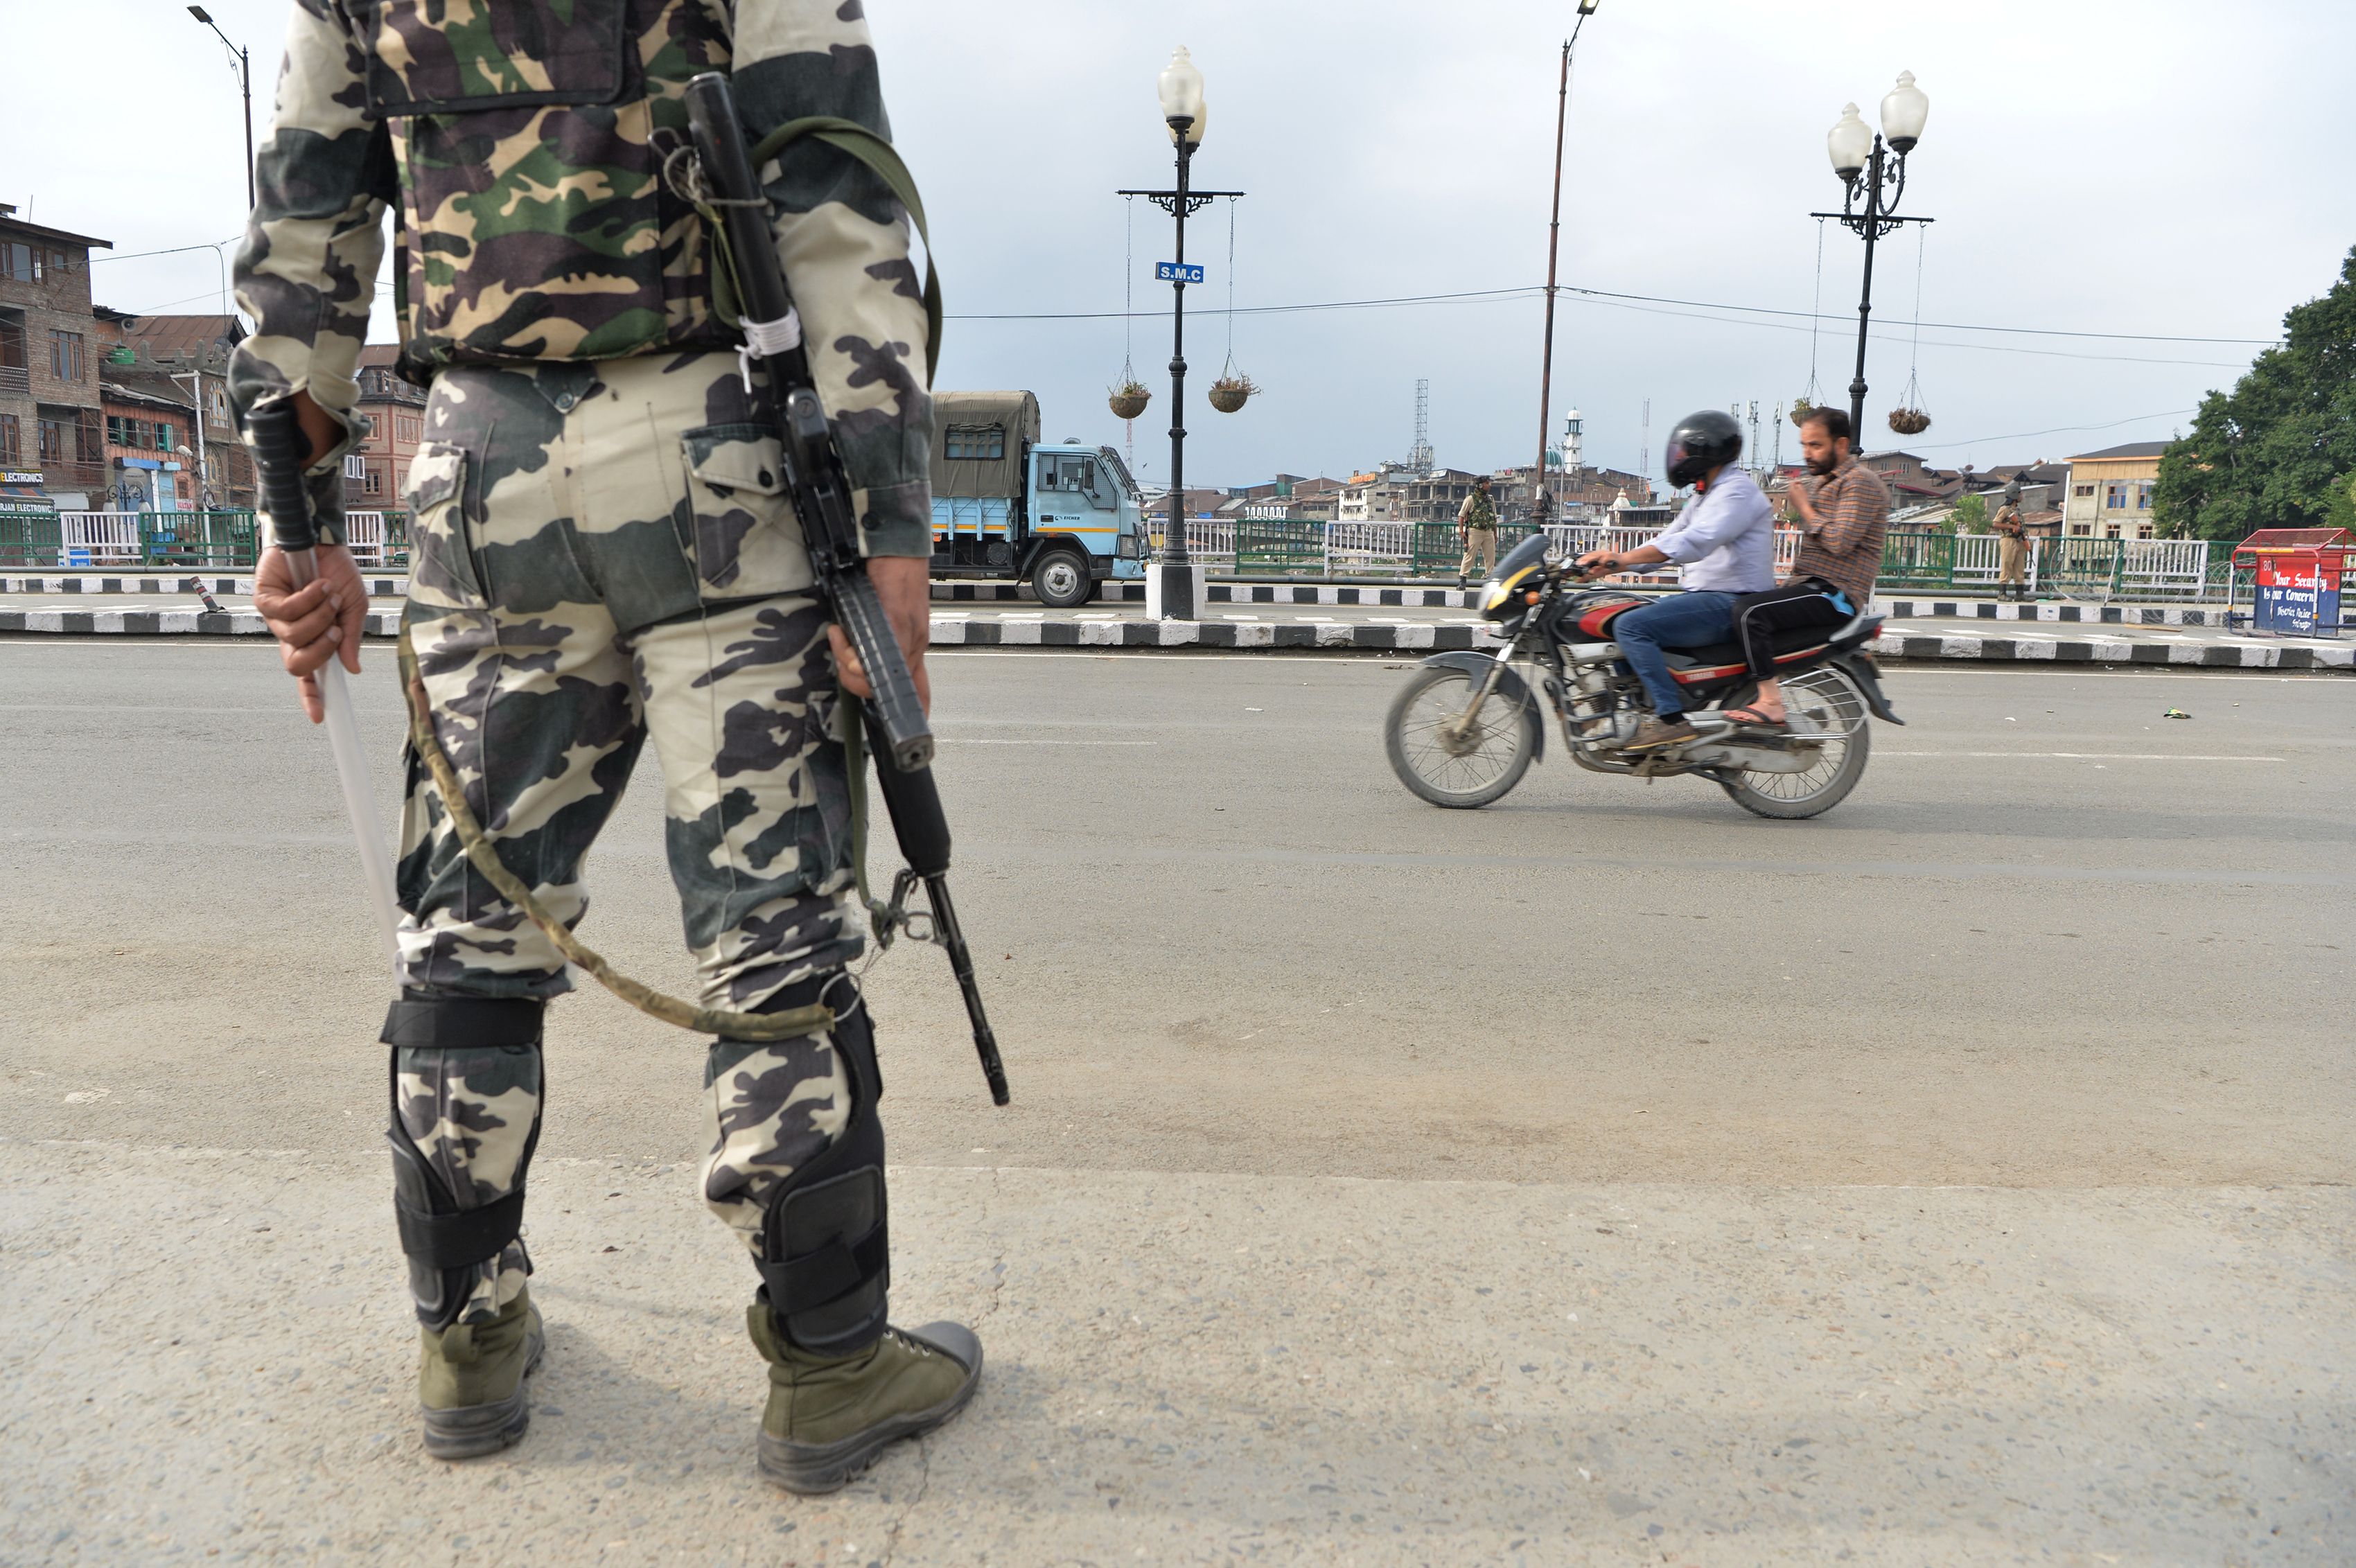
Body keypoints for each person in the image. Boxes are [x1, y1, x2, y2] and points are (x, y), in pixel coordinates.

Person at [234, 0, 979, 1492]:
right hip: (719, 451)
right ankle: (829, 1363)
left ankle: (467, 1336)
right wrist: (890, 522)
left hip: (475, 460)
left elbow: (310, 216)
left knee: (465, 929)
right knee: (768, 926)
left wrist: (292, 516)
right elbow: (832, 182)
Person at [1574, 409, 1776, 750]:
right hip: (1706, 598)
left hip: (1729, 603)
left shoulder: (1736, 492)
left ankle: (1670, 720)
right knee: (1620, 616)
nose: (1678, 459)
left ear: (1706, 451)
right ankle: (1629, 709)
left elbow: (1693, 543)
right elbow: (1669, 538)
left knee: (1632, 628)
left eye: (1683, 452)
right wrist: (1608, 564)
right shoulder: (1705, 494)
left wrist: (1620, 560)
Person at [1457, 474, 1498, 588]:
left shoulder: (1490, 499)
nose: (1488, 485)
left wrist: (1495, 533)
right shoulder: (1471, 499)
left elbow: (1494, 517)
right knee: (1469, 555)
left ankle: (1490, 576)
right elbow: (1461, 515)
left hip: (1488, 531)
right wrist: (1461, 531)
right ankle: (1463, 579)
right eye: (1486, 483)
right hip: (1475, 531)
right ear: (1480, 485)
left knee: (1490, 557)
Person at [1994, 489, 2029, 601]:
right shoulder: (2005, 509)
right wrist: (2012, 527)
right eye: (2020, 494)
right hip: (2008, 540)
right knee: (2007, 565)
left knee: (2019, 568)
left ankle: (2020, 594)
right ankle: (2002, 594)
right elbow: (1995, 523)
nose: (2022, 496)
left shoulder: (2017, 510)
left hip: (2019, 541)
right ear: (2014, 495)